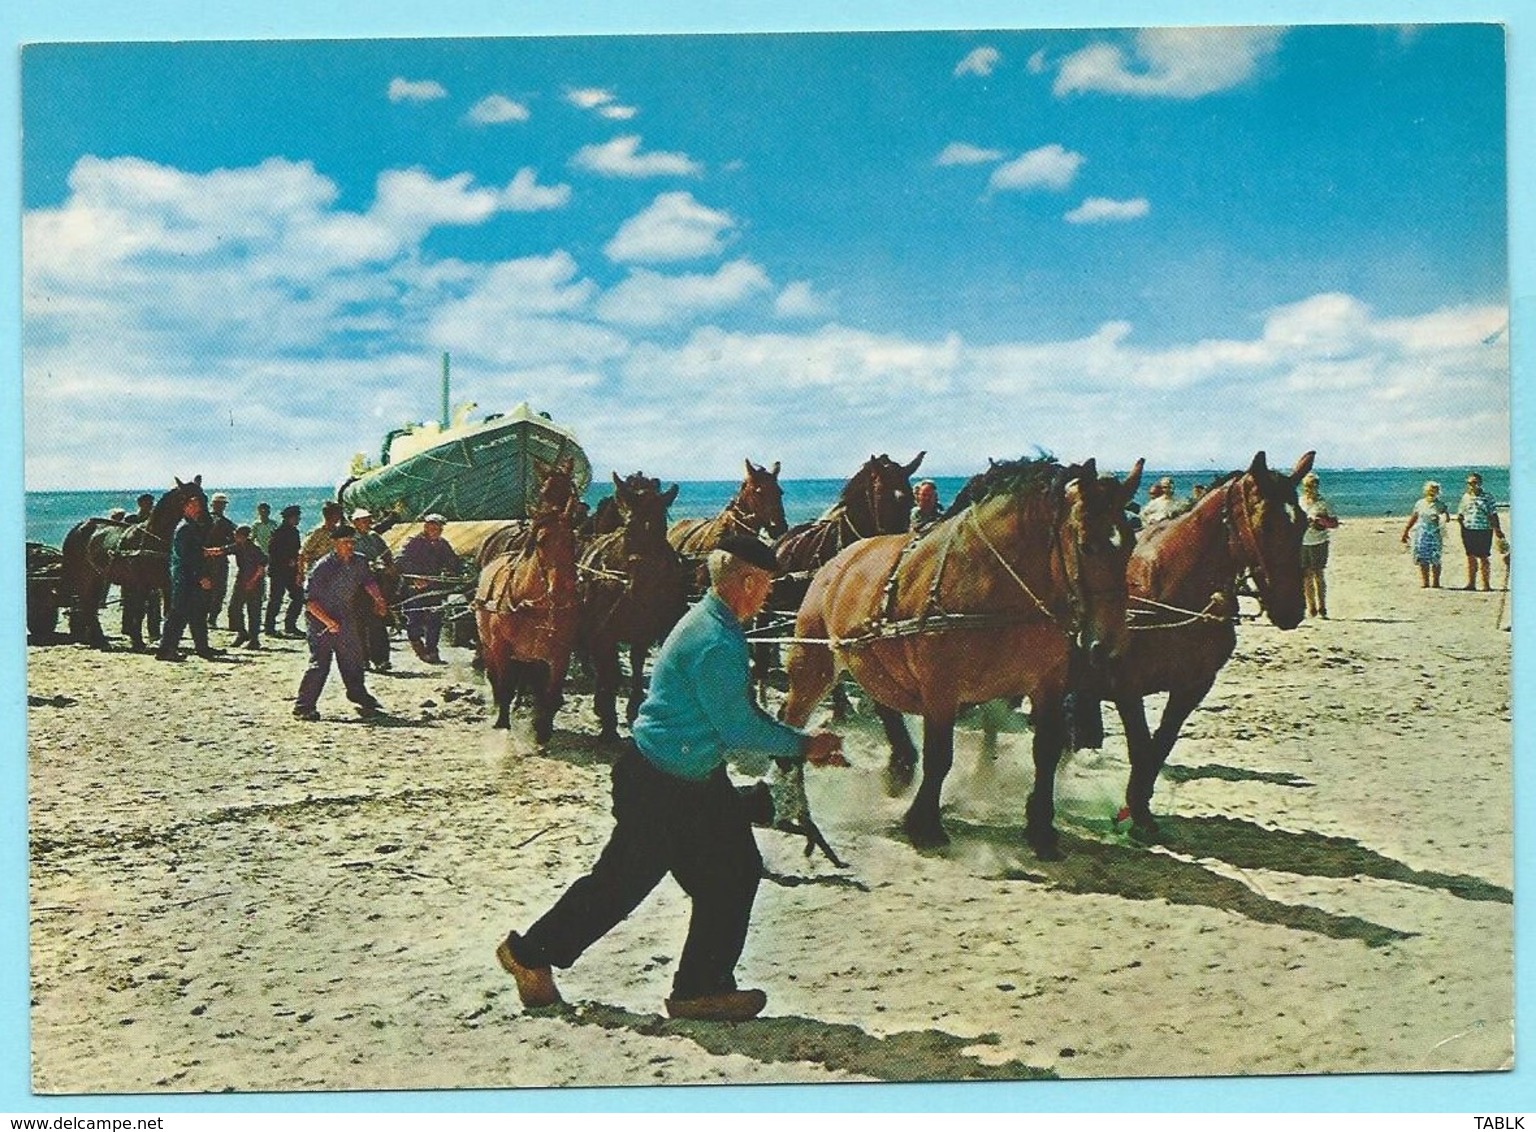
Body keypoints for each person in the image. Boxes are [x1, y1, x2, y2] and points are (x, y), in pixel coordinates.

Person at [495, 536, 847, 1021]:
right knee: (621, 885)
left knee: (733, 873)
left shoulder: (713, 623)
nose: (768, 597)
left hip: (691, 778)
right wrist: (804, 744)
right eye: (766, 586)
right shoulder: (715, 640)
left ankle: (699, 990)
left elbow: (732, 719)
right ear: (746, 582)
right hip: (660, 784)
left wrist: (795, 744)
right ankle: (531, 956)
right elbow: (738, 727)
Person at [292, 525, 389, 722]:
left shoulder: (359, 561)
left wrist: (379, 600)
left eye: (352, 542)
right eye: (346, 542)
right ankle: (303, 707)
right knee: (320, 664)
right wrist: (329, 622)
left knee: (354, 658)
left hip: (345, 615)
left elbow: (368, 581)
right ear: (335, 544)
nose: (350, 546)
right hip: (321, 620)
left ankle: (357, 694)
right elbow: (310, 602)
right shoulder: (323, 567)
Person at [155, 491, 225, 661]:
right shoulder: (185, 527)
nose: (197, 509)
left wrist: (206, 552)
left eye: (198, 506)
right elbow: (187, 557)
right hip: (186, 578)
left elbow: (192, 551)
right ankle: (165, 650)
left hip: (187, 576)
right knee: (178, 615)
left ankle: (202, 648)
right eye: (193, 506)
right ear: (185, 507)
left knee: (198, 614)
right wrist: (201, 576)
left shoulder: (190, 526)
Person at [396, 513, 462, 663]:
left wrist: (454, 571)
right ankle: (417, 645)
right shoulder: (413, 542)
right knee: (415, 620)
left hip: (435, 588)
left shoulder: (442, 544)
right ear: (426, 526)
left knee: (435, 619)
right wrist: (416, 577)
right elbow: (400, 560)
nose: (435, 529)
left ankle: (432, 650)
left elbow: (453, 561)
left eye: (438, 527)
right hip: (415, 589)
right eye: (432, 526)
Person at [348, 508, 394, 672]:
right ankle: (362, 660)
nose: (367, 523)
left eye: (368, 519)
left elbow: (387, 554)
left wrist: (388, 566)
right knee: (358, 624)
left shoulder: (374, 537)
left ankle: (381, 659)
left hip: (375, 582)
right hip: (356, 586)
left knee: (377, 621)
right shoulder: (349, 539)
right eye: (363, 520)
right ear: (355, 522)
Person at [1453, 471, 1504, 591]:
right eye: (1469, 483)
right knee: (1470, 557)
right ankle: (1471, 583)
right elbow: (1461, 513)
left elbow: (1493, 514)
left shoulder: (1487, 497)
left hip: (1484, 529)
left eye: (1474, 482)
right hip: (1469, 529)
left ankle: (1486, 584)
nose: (1472, 485)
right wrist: (1462, 525)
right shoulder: (1465, 497)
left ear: (1480, 483)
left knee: (1484, 557)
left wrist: (1498, 530)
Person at [1298, 471, 1339, 618]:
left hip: (1319, 541)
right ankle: (1311, 608)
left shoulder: (1324, 502)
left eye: (1314, 485)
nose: (1311, 488)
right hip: (1302, 541)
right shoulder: (1300, 501)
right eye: (1309, 486)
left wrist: (1321, 521)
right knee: (1306, 576)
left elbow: (1334, 523)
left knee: (1318, 574)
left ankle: (1322, 607)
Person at [123, 492, 163, 638]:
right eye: (147, 503)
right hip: (131, 564)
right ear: (140, 504)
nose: (149, 506)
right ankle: (128, 629)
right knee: (129, 599)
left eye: (151, 503)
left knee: (153, 601)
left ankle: (154, 631)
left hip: (150, 563)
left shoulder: (155, 520)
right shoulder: (131, 519)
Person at [265, 505, 305, 639]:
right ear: (290, 518)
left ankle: (290, 625)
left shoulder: (294, 531)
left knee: (298, 597)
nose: (298, 519)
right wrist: (287, 560)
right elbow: (272, 551)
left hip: (290, 571)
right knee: (276, 599)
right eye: (296, 517)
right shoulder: (279, 532)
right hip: (278, 570)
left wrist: (297, 567)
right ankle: (269, 627)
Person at [1401, 480, 1449, 589]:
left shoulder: (1441, 505)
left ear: (1438, 492)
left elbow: (1447, 519)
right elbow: (1414, 518)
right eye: (1430, 490)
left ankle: (1436, 582)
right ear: (1426, 491)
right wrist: (1406, 531)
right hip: (1421, 533)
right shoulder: (1420, 503)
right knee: (1422, 557)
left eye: (1435, 490)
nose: (1432, 492)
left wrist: (1441, 517)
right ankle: (1425, 581)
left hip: (1435, 533)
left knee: (1435, 558)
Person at [227, 524, 268, 648]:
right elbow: (223, 550)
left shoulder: (255, 549)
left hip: (255, 583)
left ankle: (254, 640)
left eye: (237, 535)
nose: (234, 537)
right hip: (242, 580)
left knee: (253, 611)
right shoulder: (239, 546)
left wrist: (252, 581)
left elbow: (261, 568)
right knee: (234, 608)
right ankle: (242, 633)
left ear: (242, 536)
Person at [205, 493, 237, 629]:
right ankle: (206, 618)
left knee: (218, 591)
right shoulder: (203, 520)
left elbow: (235, 543)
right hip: (205, 560)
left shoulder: (227, 524)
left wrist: (221, 550)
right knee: (205, 590)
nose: (220, 506)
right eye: (218, 504)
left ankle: (211, 618)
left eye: (222, 504)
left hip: (219, 560)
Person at [301, 502, 345, 571]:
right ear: (328, 515)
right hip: (318, 568)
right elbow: (304, 553)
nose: (339, 517)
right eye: (336, 514)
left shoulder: (338, 531)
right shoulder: (318, 532)